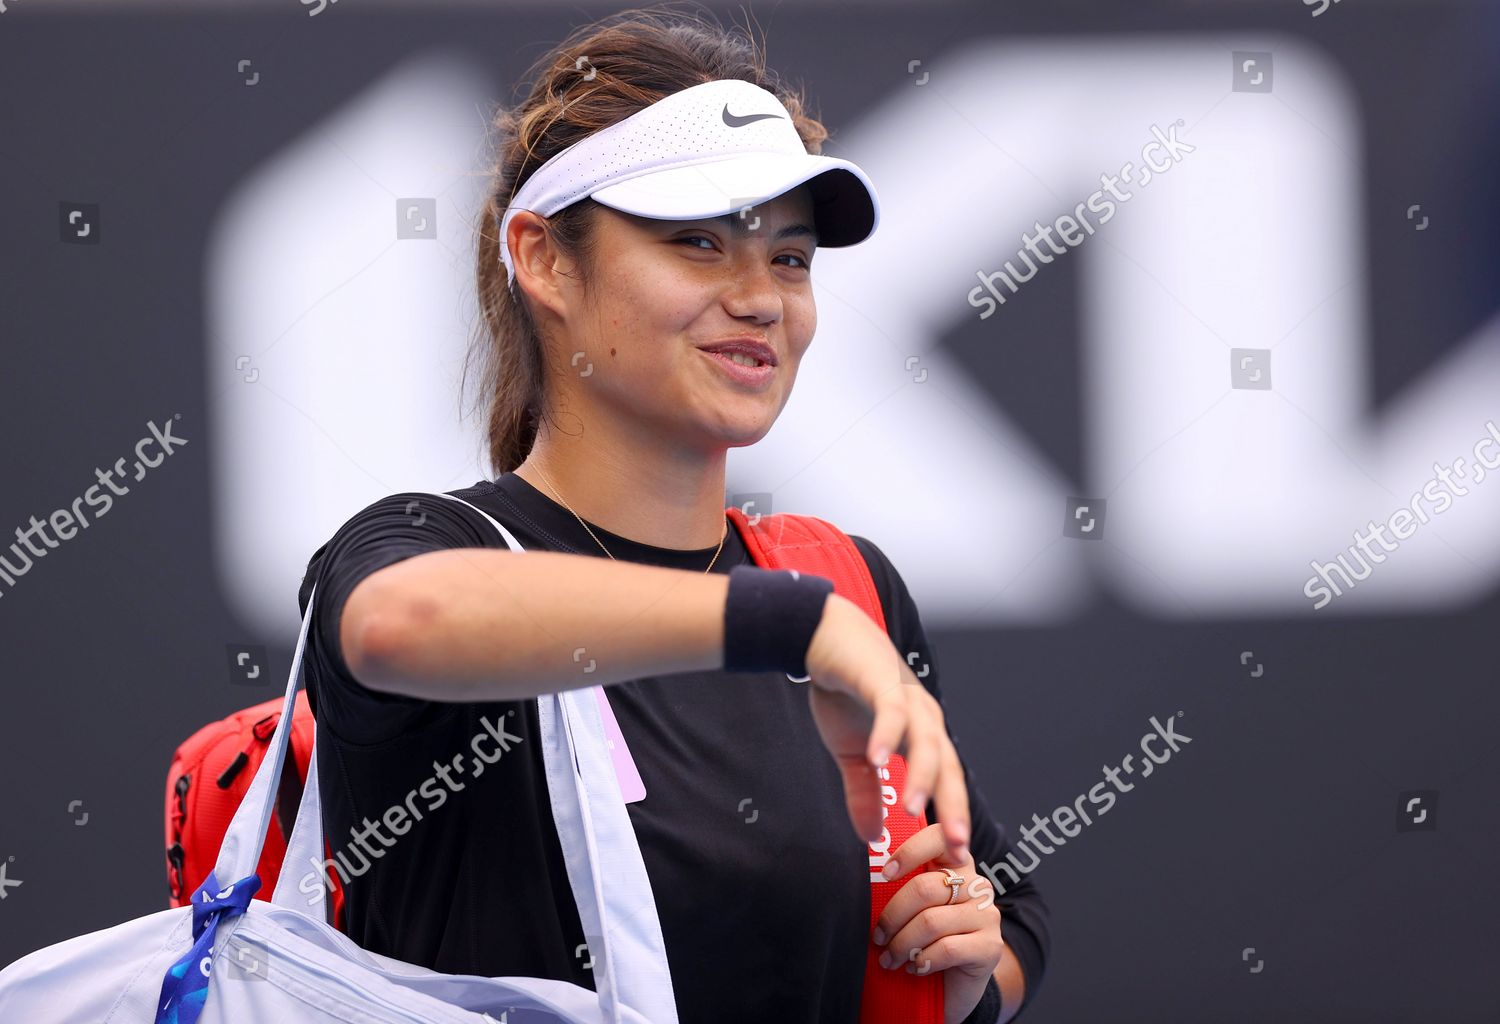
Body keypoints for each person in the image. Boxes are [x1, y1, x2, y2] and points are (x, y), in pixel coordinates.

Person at [297, 7, 1049, 1022]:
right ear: (546, 260)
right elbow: (396, 624)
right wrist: (795, 626)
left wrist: (964, 971)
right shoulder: (434, 547)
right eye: (698, 243)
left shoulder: (847, 581)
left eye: (789, 257)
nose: (762, 299)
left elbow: (1009, 915)